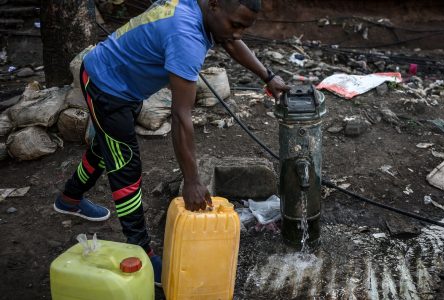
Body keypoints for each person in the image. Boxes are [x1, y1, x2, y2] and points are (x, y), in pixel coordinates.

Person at [53, 0, 288, 286]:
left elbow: (229, 40)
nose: (238, 33)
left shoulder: (203, 11)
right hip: (107, 83)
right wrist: (191, 180)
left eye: (244, 27)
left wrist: (269, 76)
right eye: (236, 24)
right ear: (214, 6)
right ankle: (140, 248)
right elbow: (180, 116)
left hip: (120, 79)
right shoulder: (185, 37)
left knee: (106, 147)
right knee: (125, 164)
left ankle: (69, 198)